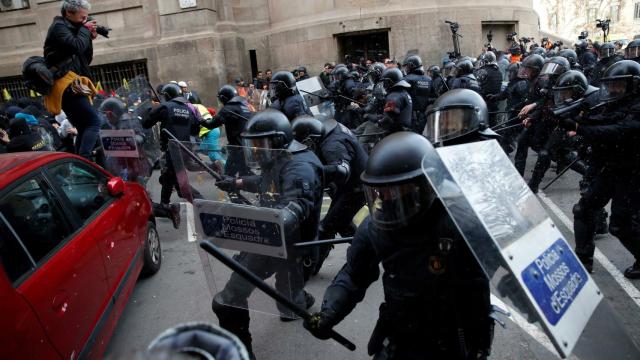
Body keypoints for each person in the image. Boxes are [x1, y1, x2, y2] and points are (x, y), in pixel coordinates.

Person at [304, 131, 494, 359]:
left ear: (427, 185)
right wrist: (329, 313)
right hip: (398, 334)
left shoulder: (457, 224)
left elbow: (476, 291)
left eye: (398, 193)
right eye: (380, 193)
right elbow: (355, 274)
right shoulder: (375, 225)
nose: (388, 201)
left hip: (447, 340)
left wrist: (480, 345)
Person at [212, 109, 324, 359]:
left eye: (260, 144)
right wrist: (236, 183)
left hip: (283, 244)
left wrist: (256, 225)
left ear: (278, 141)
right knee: (275, 302)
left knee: (231, 301)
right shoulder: (279, 159)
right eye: (252, 145)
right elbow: (267, 183)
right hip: (275, 240)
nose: (256, 150)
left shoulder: (300, 167)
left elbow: (295, 204)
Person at [558, 60, 640, 278]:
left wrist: (579, 127)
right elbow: (600, 120)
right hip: (610, 168)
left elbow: (618, 130)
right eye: (611, 85)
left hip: (632, 173)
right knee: (584, 210)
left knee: (620, 225)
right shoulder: (613, 103)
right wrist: (567, 118)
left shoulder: (637, 106)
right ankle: (583, 262)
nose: (613, 89)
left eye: (619, 85)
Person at [291, 116, 369, 275]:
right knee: (340, 222)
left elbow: (341, 170)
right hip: (354, 183)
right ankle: (368, 251)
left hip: (356, 188)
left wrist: (313, 171)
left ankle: (309, 268)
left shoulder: (332, 145)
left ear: (311, 139)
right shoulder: (327, 130)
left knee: (325, 227)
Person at [99, 97, 181, 229]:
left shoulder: (127, 121)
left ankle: (167, 211)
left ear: (111, 113)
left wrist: (127, 141)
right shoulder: (119, 121)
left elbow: (140, 136)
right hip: (126, 166)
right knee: (134, 198)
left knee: (137, 200)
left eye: (106, 114)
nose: (106, 118)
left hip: (133, 166)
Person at [43, 0, 101, 160]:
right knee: (94, 122)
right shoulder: (59, 27)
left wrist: (88, 37)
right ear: (69, 12)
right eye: (82, 18)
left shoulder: (74, 29)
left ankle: (80, 163)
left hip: (73, 84)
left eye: (86, 18)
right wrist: (85, 29)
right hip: (65, 85)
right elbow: (76, 46)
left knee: (83, 126)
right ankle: (86, 161)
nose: (85, 21)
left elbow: (85, 59)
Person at [142, 83, 203, 205]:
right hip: (186, 149)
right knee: (169, 177)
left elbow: (146, 123)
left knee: (178, 182)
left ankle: (201, 201)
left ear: (167, 95)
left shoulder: (165, 107)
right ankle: (165, 205)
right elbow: (195, 130)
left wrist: (152, 109)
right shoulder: (188, 109)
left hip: (173, 149)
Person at [202, 85, 252, 177]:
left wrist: (199, 119)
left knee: (227, 176)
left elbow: (211, 124)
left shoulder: (228, 109)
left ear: (223, 98)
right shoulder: (244, 106)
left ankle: (258, 187)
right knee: (244, 174)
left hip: (237, 147)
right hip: (248, 145)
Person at [487, 62, 529, 154]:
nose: (509, 74)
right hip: (511, 111)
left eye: (511, 72)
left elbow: (525, 100)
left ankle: (505, 150)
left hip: (517, 112)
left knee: (509, 132)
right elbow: (505, 94)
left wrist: (516, 108)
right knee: (506, 132)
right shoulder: (512, 83)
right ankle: (506, 148)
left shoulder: (521, 84)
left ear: (516, 72)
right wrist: (494, 96)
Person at [403, 55, 433, 133]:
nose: (406, 69)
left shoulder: (407, 79)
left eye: (406, 67)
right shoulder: (429, 79)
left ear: (411, 65)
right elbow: (433, 97)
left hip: (410, 116)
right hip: (424, 116)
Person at [377, 67, 412, 134]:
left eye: (385, 82)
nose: (384, 85)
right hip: (405, 131)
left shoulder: (393, 97)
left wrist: (377, 121)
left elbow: (388, 119)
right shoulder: (404, 93)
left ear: (390, 82)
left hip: (395, 133)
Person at [477, 51, 503, 126]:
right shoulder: (498, 72)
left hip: (484, 103)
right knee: (493, 125)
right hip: (495, 103)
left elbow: (478, 85)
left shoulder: (483, 71)